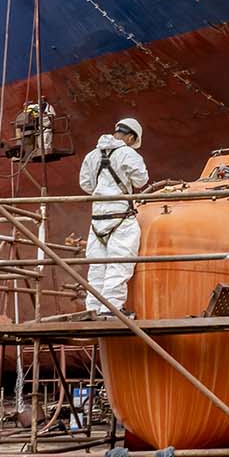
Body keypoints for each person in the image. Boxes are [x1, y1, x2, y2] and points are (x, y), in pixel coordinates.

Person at [78, 117, 149, 315]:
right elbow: (141, 180)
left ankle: (93, 308)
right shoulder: (128, 153)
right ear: (131, 137)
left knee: (97, 267)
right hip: (120, 217)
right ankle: (111, 309)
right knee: (120, 263)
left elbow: (86, 185)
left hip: (97, 220)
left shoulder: (92, 155)